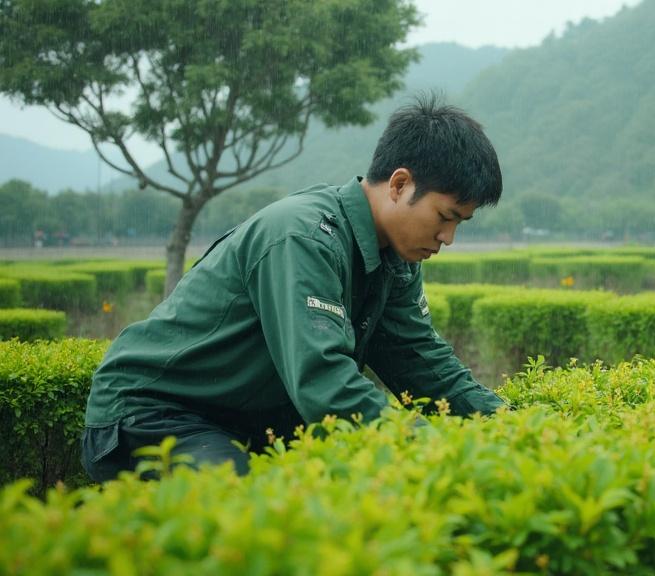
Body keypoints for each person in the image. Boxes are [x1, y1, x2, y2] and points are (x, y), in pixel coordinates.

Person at [80, 95, 507, 481]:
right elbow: (324, 383)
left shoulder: (396, 259)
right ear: (399, 185)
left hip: (239, 423)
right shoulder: (303, 237)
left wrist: (515, 426)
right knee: (246, 515)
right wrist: (433, 447)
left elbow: (425, 365)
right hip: (154, 413)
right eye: (445, 217)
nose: (447, 238)